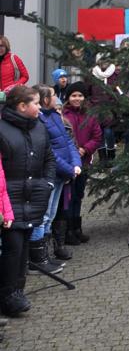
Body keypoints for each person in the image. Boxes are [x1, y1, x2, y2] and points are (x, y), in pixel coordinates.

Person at [0, 86, 55, 316]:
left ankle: (17, 292)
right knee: (12, 249)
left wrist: (47, 183)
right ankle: (7, 295)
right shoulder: (2, 129)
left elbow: (49, 157)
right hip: (9, 200)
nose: (40, 107)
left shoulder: (39, 127)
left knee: (23, 248)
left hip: (34, 197)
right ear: (22, 106)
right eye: (36, 103)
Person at [29, 86, 80, 272]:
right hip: (51, 174)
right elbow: (49, 152)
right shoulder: (39, 121)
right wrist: (69, 169)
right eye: (52, 95)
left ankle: (45, 256)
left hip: (62, 175)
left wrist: (76, 164)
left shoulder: (55, 117)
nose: (56, 98)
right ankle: (37, 261)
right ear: (45, 100)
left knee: (50, 216)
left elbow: (68, 142)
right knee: (42, 217)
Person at [61, 82, 101, 245]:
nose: (77, 98)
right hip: (68, 162)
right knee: (68, 197)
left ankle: (77, 228)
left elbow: (97, 136)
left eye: (80, 96)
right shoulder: (63, 115)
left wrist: (85, 149)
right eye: (73, 96)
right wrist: (72, 151)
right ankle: (67, 230)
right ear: (68, 97)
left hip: (84, 161)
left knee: (78, 195)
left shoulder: (90, 115)